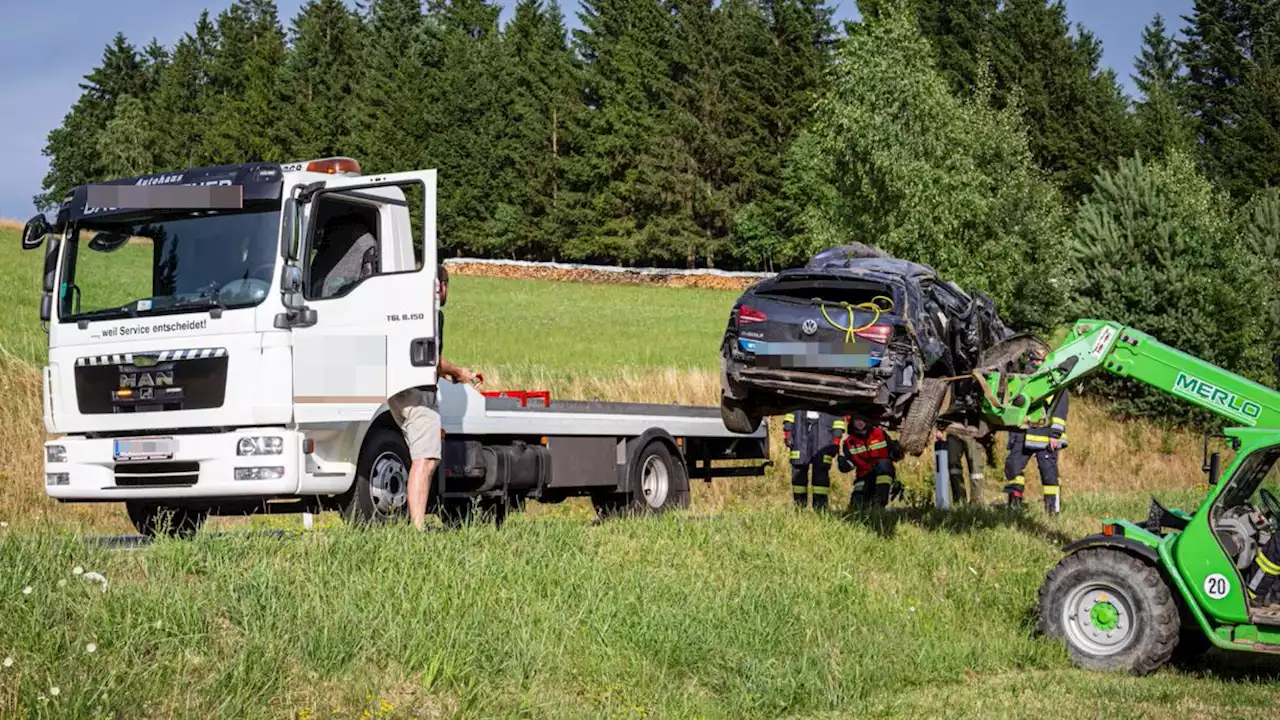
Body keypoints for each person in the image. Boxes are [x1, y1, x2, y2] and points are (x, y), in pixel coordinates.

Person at [387, 263, 484, 531]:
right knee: (426, 459)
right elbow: (430, 359)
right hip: (418, 393)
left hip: (400, 390)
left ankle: (416, 523)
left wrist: (447, 373)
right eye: (447, 286)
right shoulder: (431, 315)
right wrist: (459, 371)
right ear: (440, 286)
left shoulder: (405, 311)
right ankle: (418, 528)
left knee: (422, 457)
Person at [1003, 349, 1069, 514]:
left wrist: (1055, 435)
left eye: (1037, 361)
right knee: (1013, 467)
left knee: (1048, 474)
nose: (1034, 364)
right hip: (1022, 435)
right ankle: (1014, 505)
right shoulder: (1022, 380)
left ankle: (1052, 510)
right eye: (1032, 360)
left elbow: (1060, 412)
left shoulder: (1056, 383)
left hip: (1045, 436)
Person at [782, 410, 846, 510]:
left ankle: (820, 509)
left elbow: (838, 419)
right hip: (800, 431)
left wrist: (836, 439)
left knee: (821, 476)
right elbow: (790, 412)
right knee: (798, 474)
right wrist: (788, 432)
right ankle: (799, 508)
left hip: (824, 434)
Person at [838, 415, 904, 509]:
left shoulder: (879, 433)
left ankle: (880, 503)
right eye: (856, 420)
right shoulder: (848, 442)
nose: (859, 423)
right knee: (857, 505)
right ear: (851, 422)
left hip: (883, 472)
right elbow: (850, 464)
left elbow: (894, 454)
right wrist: (844, 465)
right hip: (863, 475)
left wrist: (897, 452)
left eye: (862, 419)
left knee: (884, 465)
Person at [935, 429, 985, 505]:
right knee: (953, 468)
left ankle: (976, 505)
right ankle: (960, 503)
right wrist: (940, 428)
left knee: (976, 470)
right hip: (953, 430)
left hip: (974, 431)